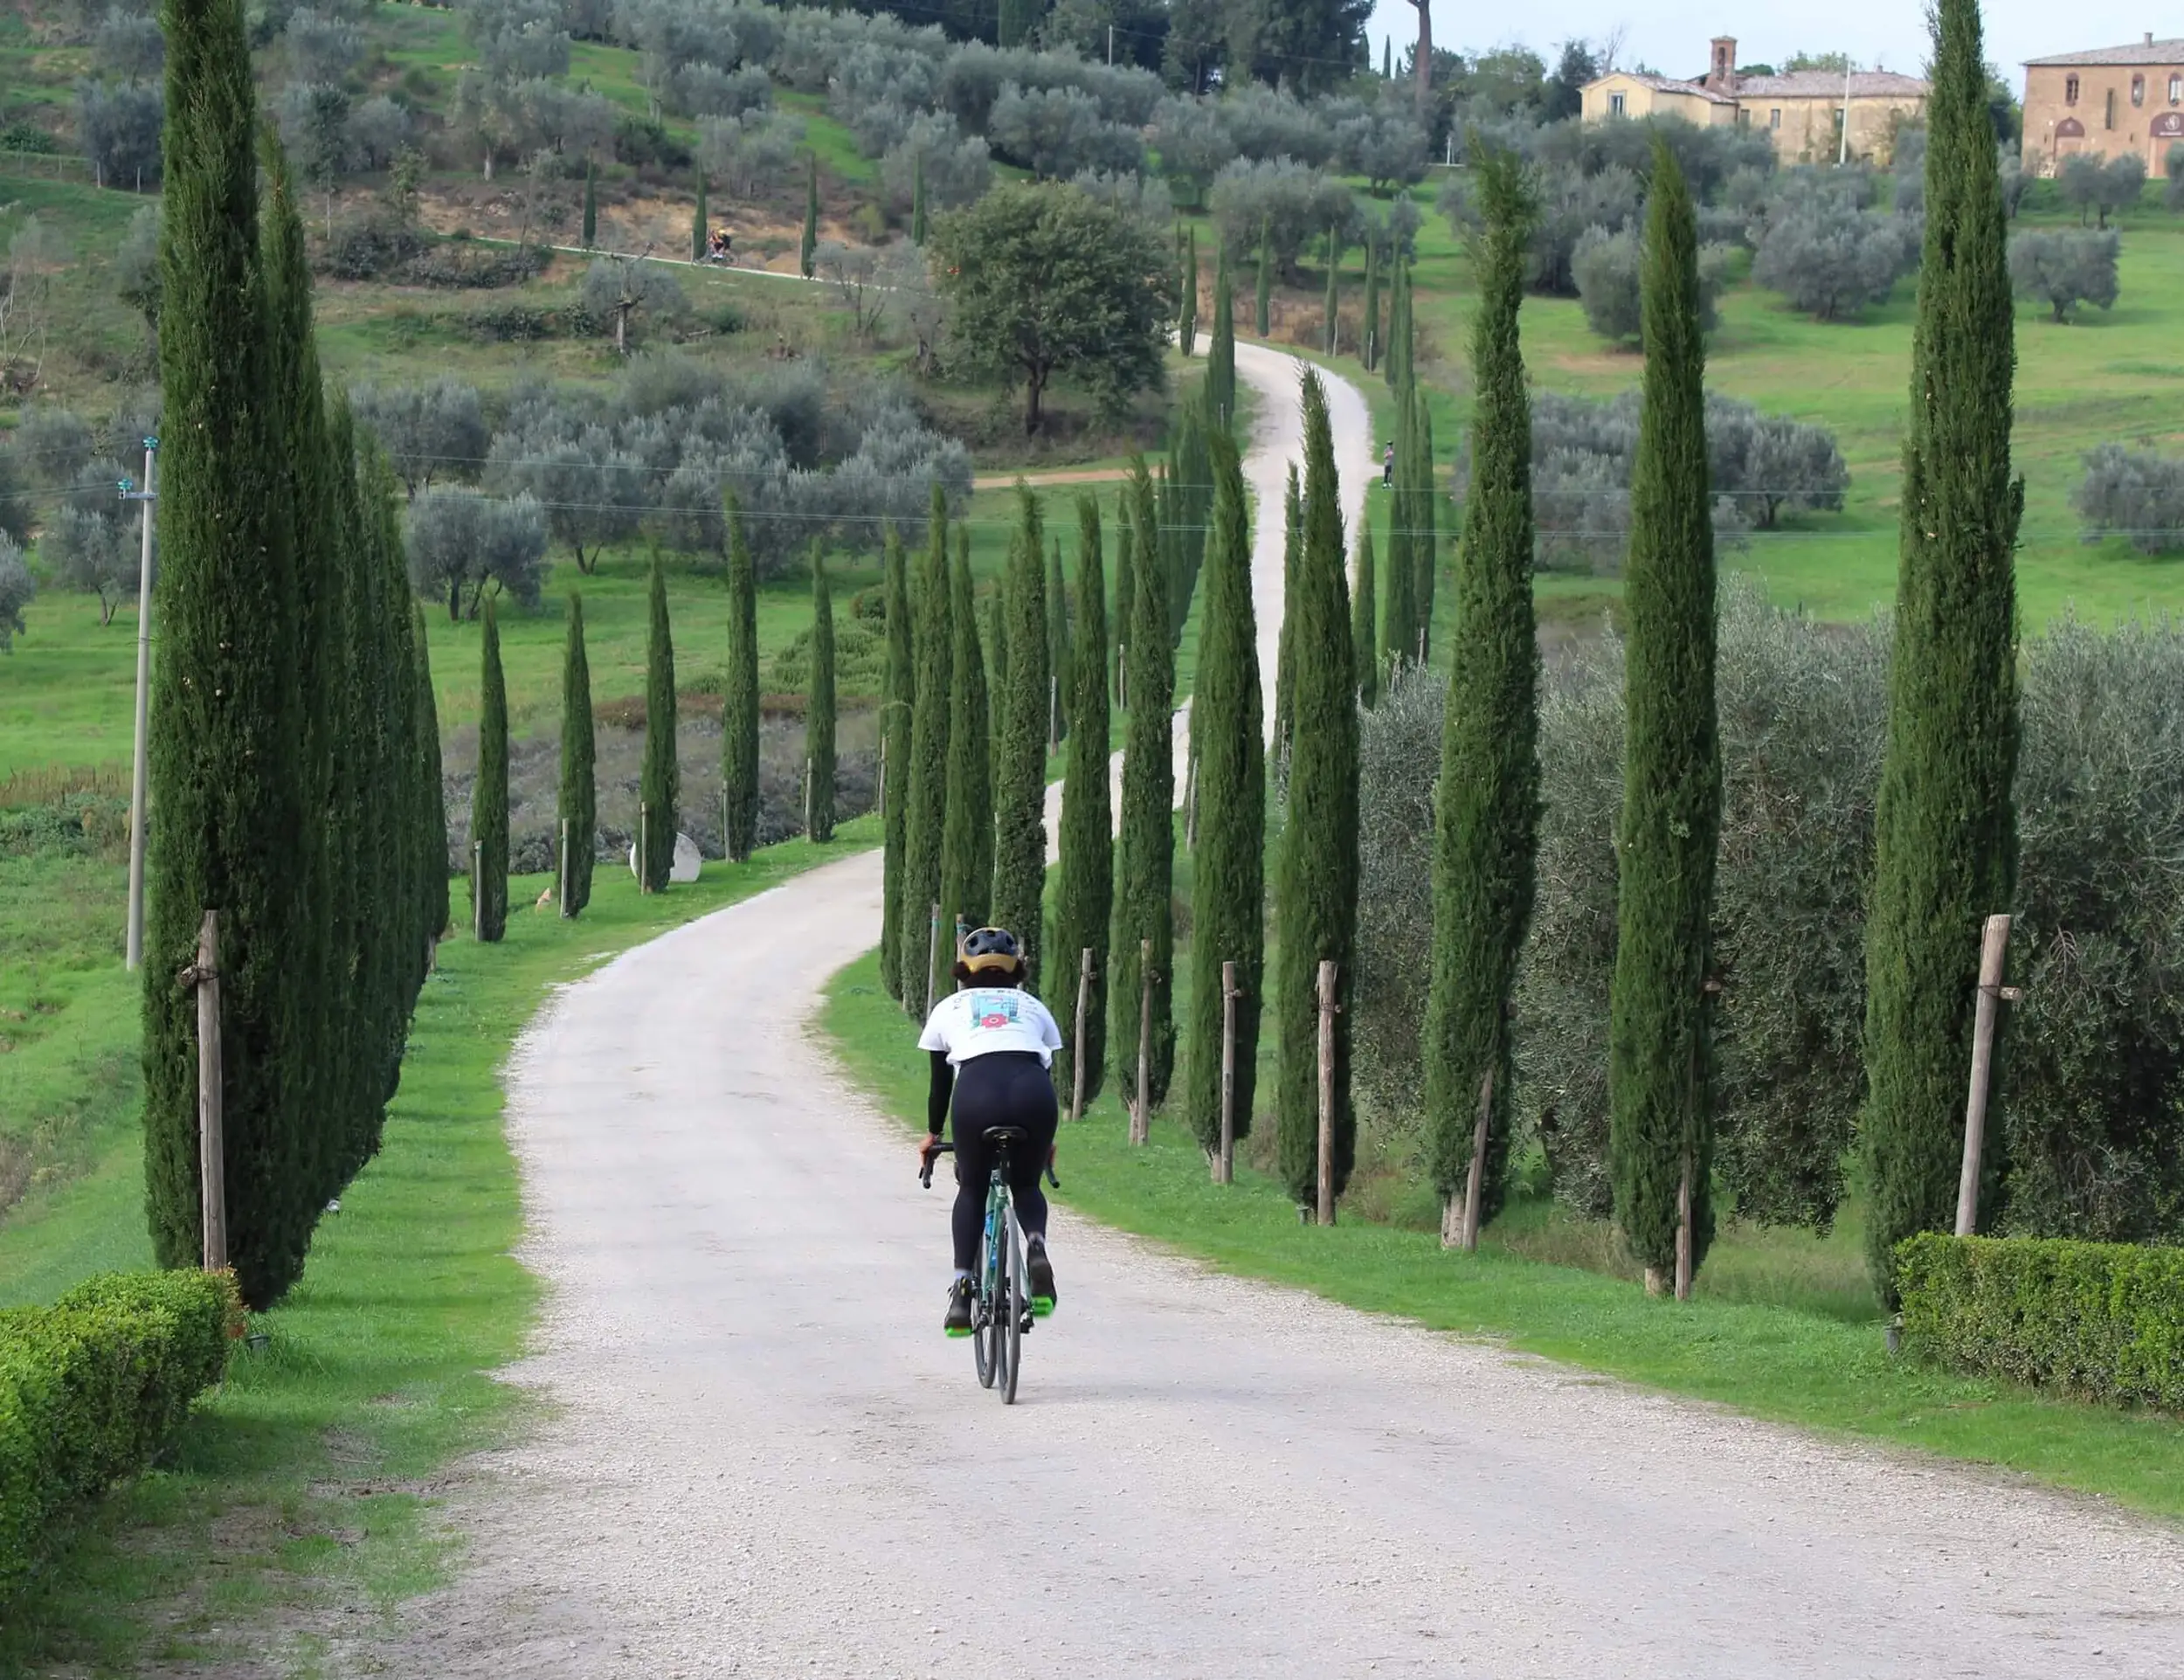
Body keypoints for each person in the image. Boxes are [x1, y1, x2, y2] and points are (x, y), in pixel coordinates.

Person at [916, 927, 1062, 1337]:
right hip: (1034, 1093)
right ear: (1018, 970)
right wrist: (1043, 1141)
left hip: (976, 1093)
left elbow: (940, 1085)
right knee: (1028, 1185)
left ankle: (963, 1289)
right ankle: (1035, 1247)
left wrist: (932, 1134)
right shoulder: (1033, 1007)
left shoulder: (949, 1007)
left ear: (963, 969)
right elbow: (1047, 1069)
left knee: (973, 1189)